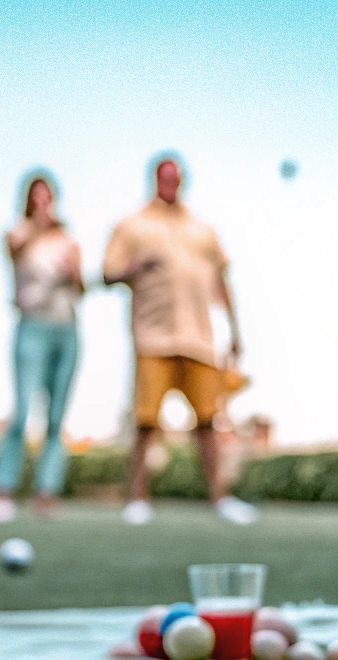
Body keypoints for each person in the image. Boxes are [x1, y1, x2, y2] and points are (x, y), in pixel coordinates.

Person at [102, 154, 259, 526]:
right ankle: (138, 499)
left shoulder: (203, 230)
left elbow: (222, 281)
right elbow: (107, 273)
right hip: (152, 338)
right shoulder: (132, 225)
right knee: (145, 423)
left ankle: (220, 498)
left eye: (175, 177)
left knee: (208, 422)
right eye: (163, 177)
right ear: (154, 180)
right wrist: (137, 267)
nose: (169, 183)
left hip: (199, 340)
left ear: (182, 181)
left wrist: (235, 332)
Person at [0, 171, 84, 523]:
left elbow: (81, 287)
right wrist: (39, 225)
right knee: (23, 410)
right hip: (31, 327)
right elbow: (14, 251)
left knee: (56, 418)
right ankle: (2, 489)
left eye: (48, 196)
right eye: (36, 196)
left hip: (66, 329)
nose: (43, 202)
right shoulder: (18, 232)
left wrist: (74, 272)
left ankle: (46, 491)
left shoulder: (68, 240)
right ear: (28, 199)